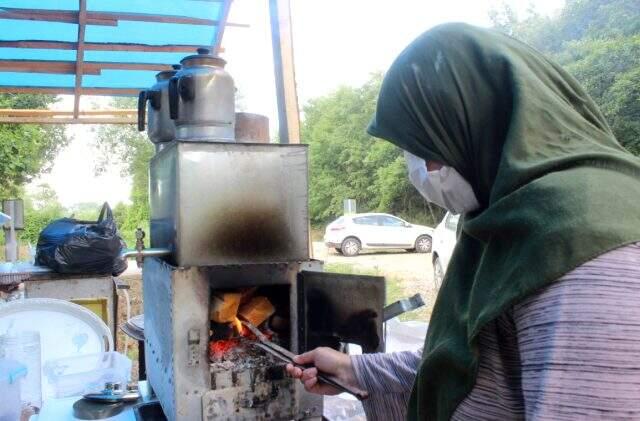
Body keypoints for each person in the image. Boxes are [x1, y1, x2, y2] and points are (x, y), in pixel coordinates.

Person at [287, 22, 640, 420]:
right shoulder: (509, 220)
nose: (415, 169)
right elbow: (469, 367)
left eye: (420, 148)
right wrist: (353, 370)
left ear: (470, 124)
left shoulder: (583, 240)